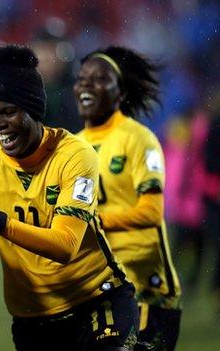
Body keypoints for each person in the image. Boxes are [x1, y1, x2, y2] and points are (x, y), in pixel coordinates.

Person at [0, 45, 139, 351]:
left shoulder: (75, 155)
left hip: (96, 300)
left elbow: (65, 246)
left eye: (9, 112)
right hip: (32, 318)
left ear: (33, 109)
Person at [75, 46, 182, 351]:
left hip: (147, 288)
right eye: (82, 78)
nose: (85, 84)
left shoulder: (138, 139)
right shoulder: (74, 146)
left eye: (98, 79)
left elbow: (151, 211)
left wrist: (97, 222)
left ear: (119, 92)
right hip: (101, 288)